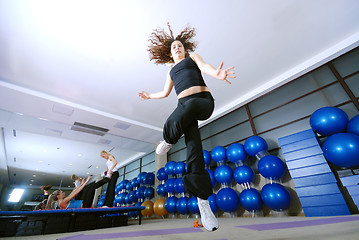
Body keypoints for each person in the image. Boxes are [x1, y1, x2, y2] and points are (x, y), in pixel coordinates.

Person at [139, 23, 235, 232]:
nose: (177, 47)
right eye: (173, 47)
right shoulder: (171, 71)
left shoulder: (193, 58)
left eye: (180, 45)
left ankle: (169, 140)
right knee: (194, 149)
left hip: (202, 101)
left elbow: (205, 67)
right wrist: (149, 96)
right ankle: (203, 202)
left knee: (184, 111)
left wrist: (217, 75)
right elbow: (164, 93)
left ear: (184, 49)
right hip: (185, 108)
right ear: (169, 54)